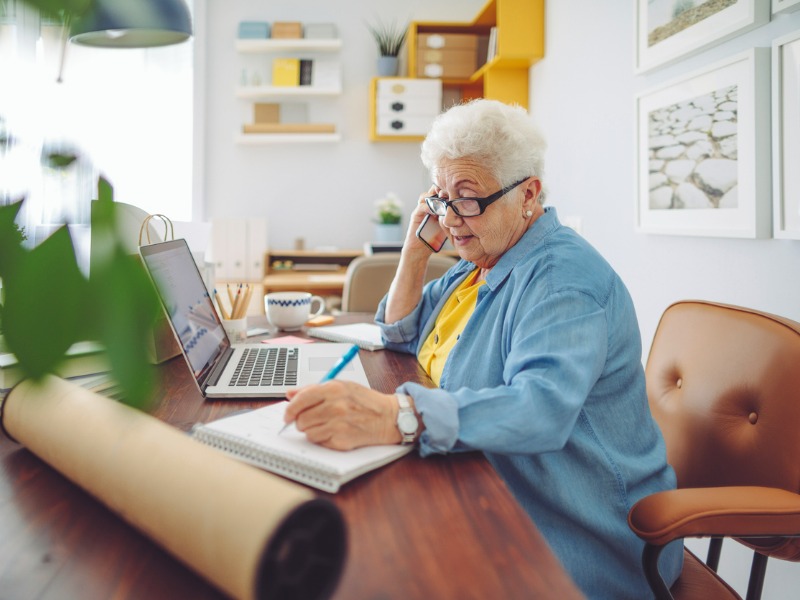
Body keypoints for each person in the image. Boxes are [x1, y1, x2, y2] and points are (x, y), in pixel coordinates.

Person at [284, 98, 683, 598]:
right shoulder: (482, 259)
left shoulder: (563, 282)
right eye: (440, 197)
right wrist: (414, 249)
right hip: (487, 484)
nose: (450, 219)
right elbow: (400, 330)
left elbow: (541, 409)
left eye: (467, 198)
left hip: (577, 526)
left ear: (528, 195)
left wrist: (398, 417)